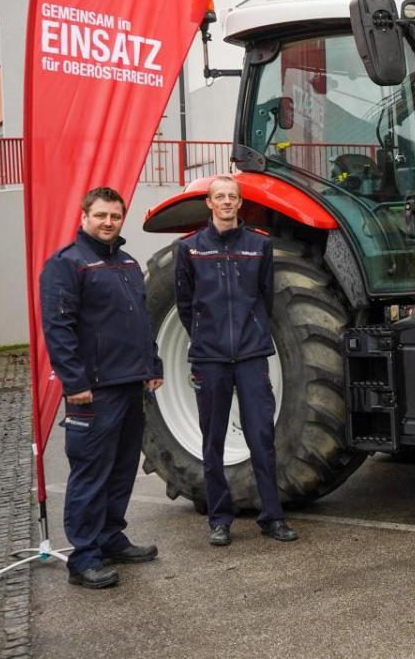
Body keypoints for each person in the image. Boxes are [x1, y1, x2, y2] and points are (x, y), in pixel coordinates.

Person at [40, 187, 164, 589]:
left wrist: (153, 363)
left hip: (131, 385)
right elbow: (58, 329)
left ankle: (111, 538)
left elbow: (141, 321)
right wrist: (74, 383)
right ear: (84, 217)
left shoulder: (126, 264)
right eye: (101, 216)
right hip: (93, 390)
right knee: (91, 473)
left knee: (122, 469)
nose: (108, 222)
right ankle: (84, 557)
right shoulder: (67, 265)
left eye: (114, 216)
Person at [175, 175, 297, 546]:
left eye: (232, 197)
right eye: (220, 197)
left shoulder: (259, 246)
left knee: (262, 436)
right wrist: (206, 334)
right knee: (212, 440)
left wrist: (253, 332)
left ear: (240, 204)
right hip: (210, 358)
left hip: (250, 355)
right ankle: (220, 519)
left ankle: (272, 517)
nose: (226, 202)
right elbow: (185, 304)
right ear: (209, 204)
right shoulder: (190, 249)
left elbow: (265, 297)